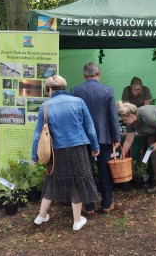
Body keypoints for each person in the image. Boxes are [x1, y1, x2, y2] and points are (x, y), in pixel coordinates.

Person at [32, 75, 100, 231]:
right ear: (63, 87)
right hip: (78, 148)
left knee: (51, 181)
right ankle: (77, 221)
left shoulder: (45, 106)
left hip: (57, 151)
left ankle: (41, 216)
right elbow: (90, 127)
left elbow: (37, 134)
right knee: (77, 181)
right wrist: (95, 146)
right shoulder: (78, 102)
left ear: (49, 89)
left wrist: (34, 155)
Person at [70, 62, 121, 214]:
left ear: (84, 75)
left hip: (82, 138)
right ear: (99, 73)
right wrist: (117, 137)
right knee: (105, 170)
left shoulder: (74, 90)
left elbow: (73, 118)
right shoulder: (108, 90)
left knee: (86, 171)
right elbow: (113, 116)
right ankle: (106, 204)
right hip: (104, 138)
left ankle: (89, 205)